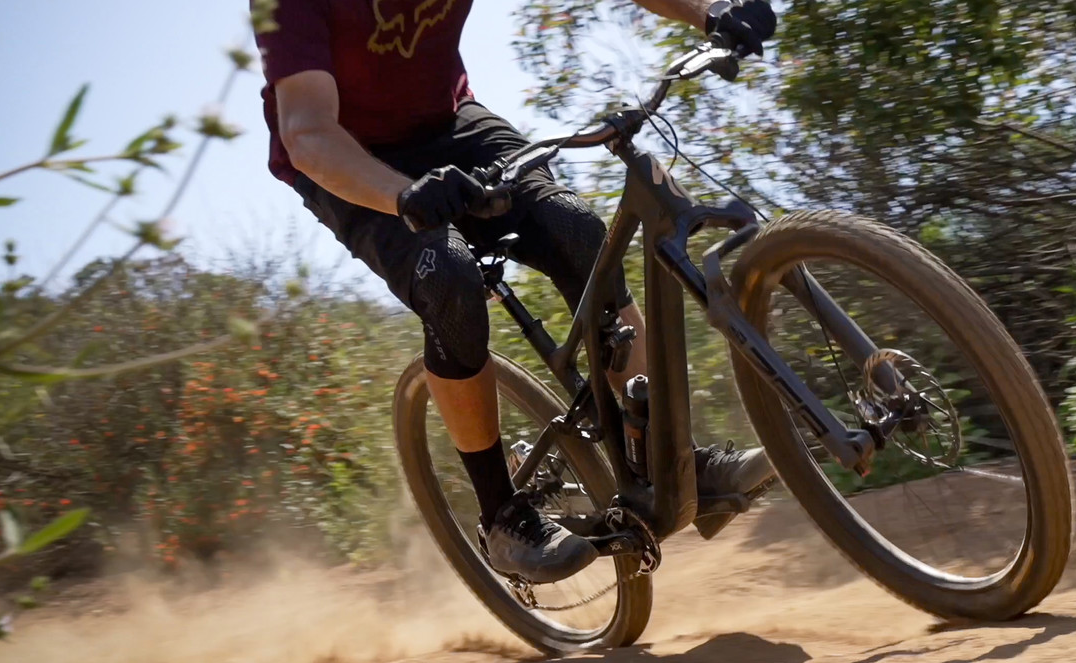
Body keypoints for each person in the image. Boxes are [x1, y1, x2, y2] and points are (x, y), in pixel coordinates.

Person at [252, 0, 778, 584]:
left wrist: (710, 11)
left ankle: (672, 460)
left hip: (450, 123)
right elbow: (308, 133)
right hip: (350, 157)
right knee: (448, 277)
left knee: (577, 231)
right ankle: (501, 516)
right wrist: (402, 196)